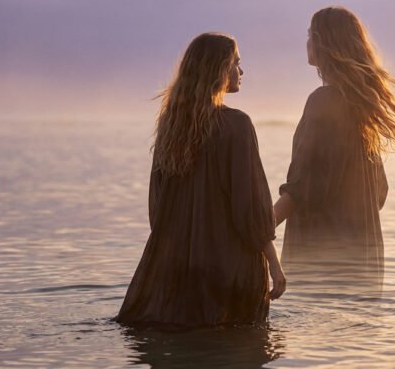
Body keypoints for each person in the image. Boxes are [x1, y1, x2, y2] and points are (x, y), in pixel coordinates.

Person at [116, 32, 285, 328]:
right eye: (236, 63)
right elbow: (251, 209)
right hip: (229, 269)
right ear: (219, 69)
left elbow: (157, 208)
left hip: (177, 270)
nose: (241, 71)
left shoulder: (171, 127)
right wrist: (274, 263)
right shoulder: (237, 125)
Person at [273, 6, 395, 293]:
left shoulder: (325, 101)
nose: (307, 43)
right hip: (362, 259)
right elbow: (379, 193)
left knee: (312, 320)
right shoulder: (361, 108)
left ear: (324, 43)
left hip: (321, 260)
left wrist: (259, 229)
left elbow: (304, 187)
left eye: (310, 36)